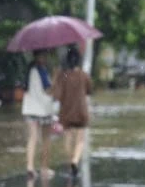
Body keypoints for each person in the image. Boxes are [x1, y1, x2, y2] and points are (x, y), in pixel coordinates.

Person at [52, 46, 92, 178]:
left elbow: (56, 95)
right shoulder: (83, 75)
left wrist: (56, 77)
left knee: (68, 138)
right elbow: (90, 90)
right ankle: (75, 160)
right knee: (80, 139)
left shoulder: (62, 75)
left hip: (66, 112)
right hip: (81, 112)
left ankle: (70, 163)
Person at [21, 50, 55, 179]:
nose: (45, 57)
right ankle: (44, 168)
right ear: (39, 56)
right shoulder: (41, 70)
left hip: (29, 110)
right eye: (44, 55)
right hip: (43, 110)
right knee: (46, 139)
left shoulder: (29, 70)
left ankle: (30, 166)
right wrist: (56, 79)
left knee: (32, 138)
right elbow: (48, 90)